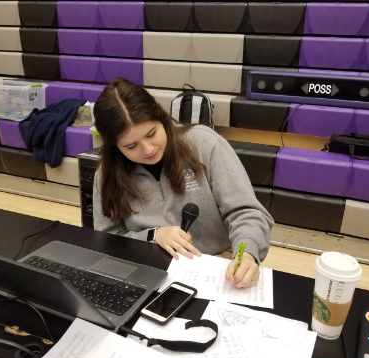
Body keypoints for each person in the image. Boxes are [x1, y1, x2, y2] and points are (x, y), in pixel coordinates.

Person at [92, 78, 274, 288]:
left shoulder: (205, 144)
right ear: (115, 147)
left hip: (215, 267)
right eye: (131, 146)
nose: (148, 149)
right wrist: (153, 235)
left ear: (162, 119)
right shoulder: (107, 174)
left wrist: (248, 254)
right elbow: (108, 239)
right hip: (144, 271)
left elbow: (246, 212)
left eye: (151, 134)